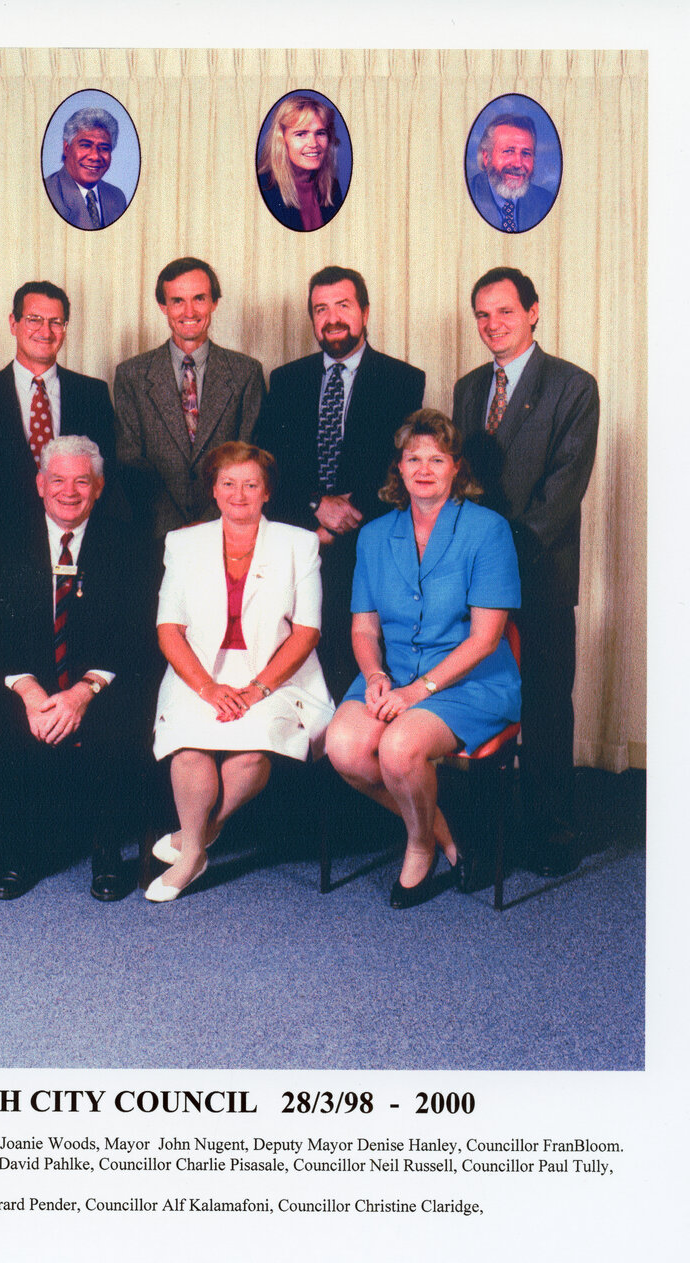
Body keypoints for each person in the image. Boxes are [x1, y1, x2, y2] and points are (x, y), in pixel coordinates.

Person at [325, 410, 521, 909]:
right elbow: (364, 627)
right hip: (393, 677)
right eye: (414, 458)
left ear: (457, 467)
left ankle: (418, 846)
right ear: (399, 468)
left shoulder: (487, 530)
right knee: (344, 746)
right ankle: (445, 837)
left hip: (469, 682)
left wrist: (417, 693)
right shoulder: (373, 536)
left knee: (398, 749)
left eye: (437, 458)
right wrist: (373, 674)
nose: (425, 468)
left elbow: (484, 640)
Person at [452, 267, 598, 876]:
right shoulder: (465, 388)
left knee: (542, 702)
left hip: (538, 572)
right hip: (475, 581)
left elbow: (564, 488)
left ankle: (549, 828)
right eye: (483, 315)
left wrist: (499, 555)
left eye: (505, 312)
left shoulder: (571, 385)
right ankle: (483, 831)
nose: (493, 325)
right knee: (481, 698)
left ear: (533, 312)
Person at [148, 441, 334, 902]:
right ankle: (194, 851)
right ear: (213, 489)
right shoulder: (183, 542)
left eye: (251, 485)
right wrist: (208, 687)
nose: (239, 494)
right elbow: (169, 630)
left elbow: (307, 632)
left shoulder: (299, 542)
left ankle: (201, 833)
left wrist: (256, 690)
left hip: (277, 671)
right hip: (199, 670)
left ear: (267, 492)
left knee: (251, 752)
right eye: (228, 483)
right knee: (190, 750)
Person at [0, 436, 152, 902]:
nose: (68, 492)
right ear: (39, 484)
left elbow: (135, 633)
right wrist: (31, 692)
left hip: (98, 680)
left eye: (81, 481)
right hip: (23, 678)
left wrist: (82, 692)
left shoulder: (129, 543)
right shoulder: (1, 540)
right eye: (57, 480)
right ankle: (13, 854)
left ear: (99, 487)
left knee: (117, 720)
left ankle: (107, 853)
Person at [256, 265, 425, 701]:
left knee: (355, 662)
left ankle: (348, 763)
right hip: (298, 539)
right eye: (321, 309)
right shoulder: (286, 380)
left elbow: (401, 468)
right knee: (293, 663)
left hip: (367, 547)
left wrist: (342, 520)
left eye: (343, 306)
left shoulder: (403, 381)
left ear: (365, 312)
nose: (332, 318)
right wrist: (316, 508)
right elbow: (268, 466)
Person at [0, 280, 118, 629]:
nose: (46, 330)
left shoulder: (93, 394)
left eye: (56, 322)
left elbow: (105, 482)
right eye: (34, 319)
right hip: (0, 564)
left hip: (73, 557)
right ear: (13, 324)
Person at [114, 257, 265, 542]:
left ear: (214, 302)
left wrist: (208, 527)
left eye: (199, 298)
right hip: (155, 537)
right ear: (163, 306)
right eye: (177, 301)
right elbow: (130, 462)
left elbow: (250, 460)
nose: (189, 311)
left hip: (228, 532)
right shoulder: (132, 374)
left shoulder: (246, 373)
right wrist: (174, 531)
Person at [257, 94, 344, 232]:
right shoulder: (262, 189)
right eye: (301, 134)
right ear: (282, 140)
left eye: (320, 133)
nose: (313, 143)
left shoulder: (332, 188)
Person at [467, 113, 556, 234]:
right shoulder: (465, 198)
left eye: (526, 153)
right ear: (486, 157)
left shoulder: (546, 202)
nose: (518, 164)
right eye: (508, 151)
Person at [44, 106, 128, 230]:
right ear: (67, 149)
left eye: (104, 148)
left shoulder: (117, 197)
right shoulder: (47, 193)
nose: (95, 156)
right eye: (85, 145)